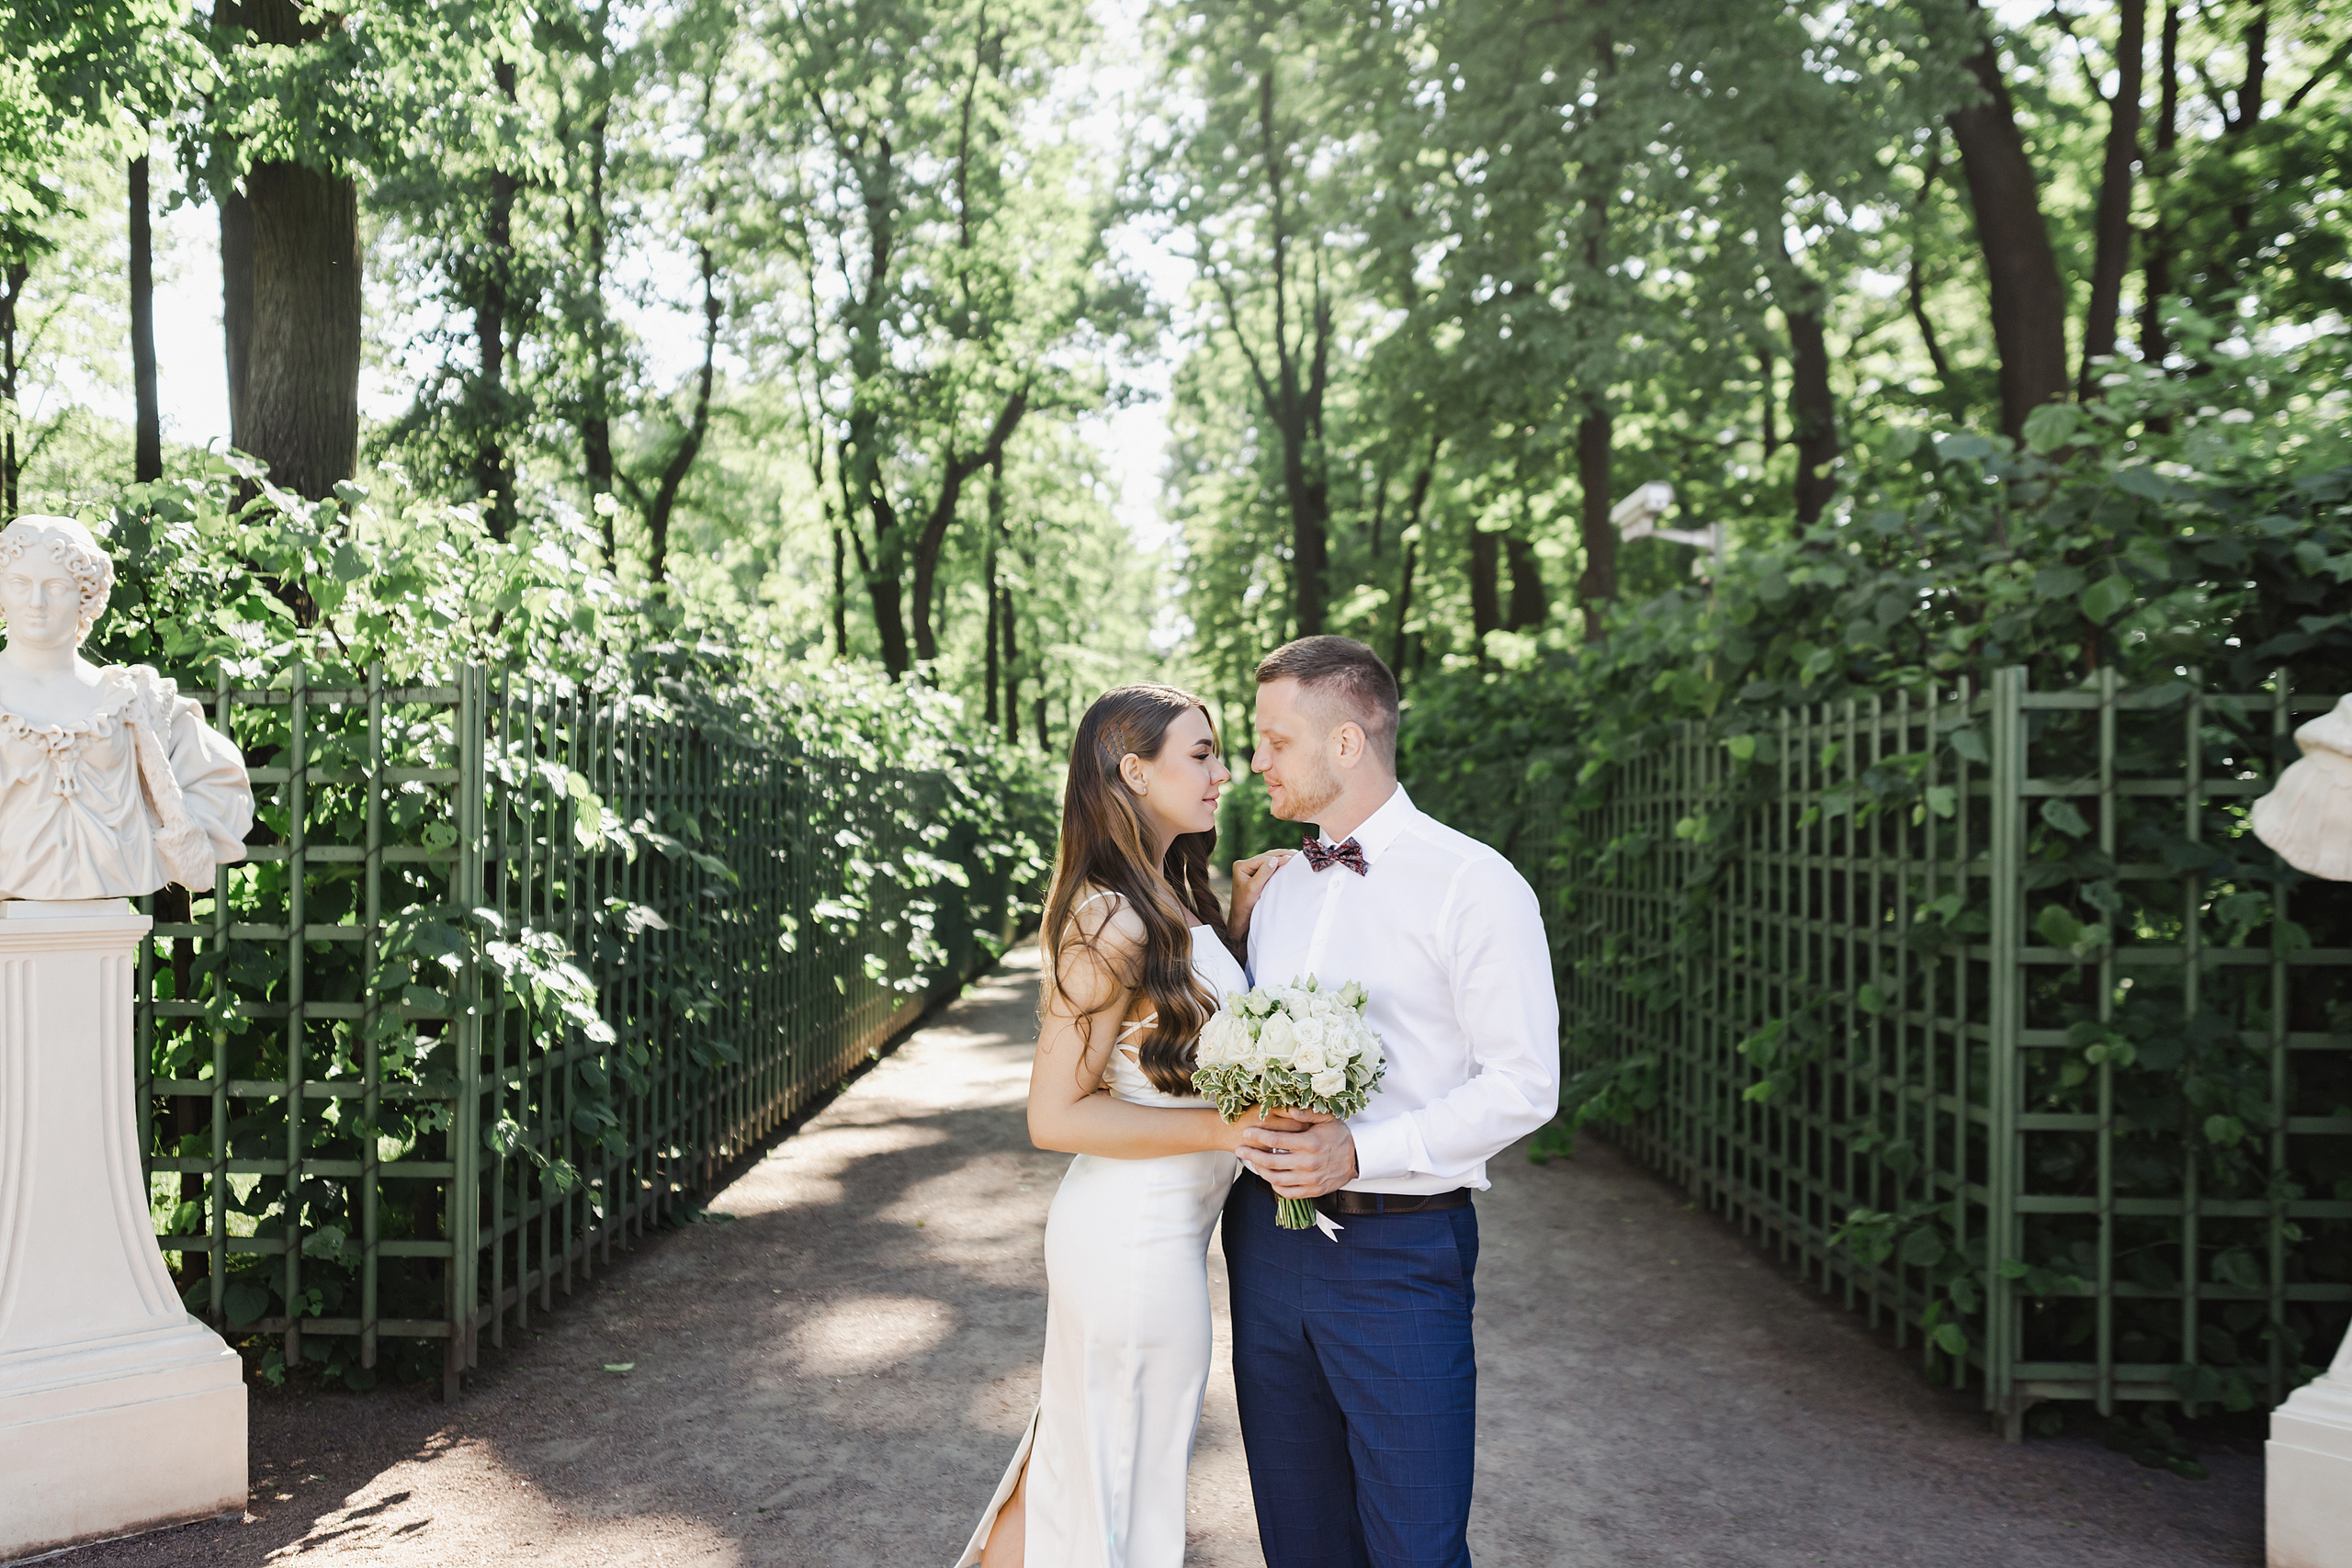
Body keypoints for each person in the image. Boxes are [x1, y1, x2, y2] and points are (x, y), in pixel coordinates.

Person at [1224, 635, 1559, 1568]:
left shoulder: (1475, 884)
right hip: (1263, 1243)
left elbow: (1525, 1083)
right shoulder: (1277, 889)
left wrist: (1358, 1154)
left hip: (1401, 1253)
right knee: (1300, 1538)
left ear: (1344, 744)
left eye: (1273, 738)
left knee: (1414, 1545)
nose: (1254, 760)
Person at [956, 683, 1299, 1568]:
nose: (1225, 773)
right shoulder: (1108, 914)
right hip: (1131, 1243)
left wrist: (1242, 925)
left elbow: (1180, 1034)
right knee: (1116, 1476)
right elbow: (1054, 1112)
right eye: (1203, 753)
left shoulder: (1168, 894)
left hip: (1161, 1234)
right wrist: (1229, 1132)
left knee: (1085, 1465)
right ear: (1134, 770)